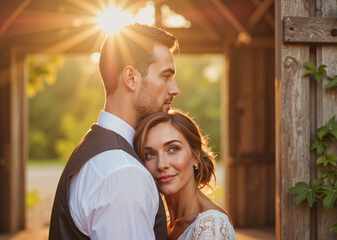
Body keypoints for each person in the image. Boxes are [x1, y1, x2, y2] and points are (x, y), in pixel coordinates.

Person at [49, 23, 180, 240]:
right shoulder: (123, 172)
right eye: (166, 76)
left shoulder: (95, 147)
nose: (175, 88)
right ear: (131, 78)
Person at [133, 110, 237, 240]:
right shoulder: (163, 222)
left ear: (195, 156)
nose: (161, 164)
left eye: (173, 149)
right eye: (150, 154)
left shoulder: (210, 228)